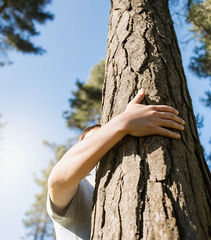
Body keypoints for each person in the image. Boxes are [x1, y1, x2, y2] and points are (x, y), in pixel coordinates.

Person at [46, 88, 185, 240]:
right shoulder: (81, 187)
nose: (105, 145)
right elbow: (58, 181)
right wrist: (124, 121)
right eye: (95, 140)